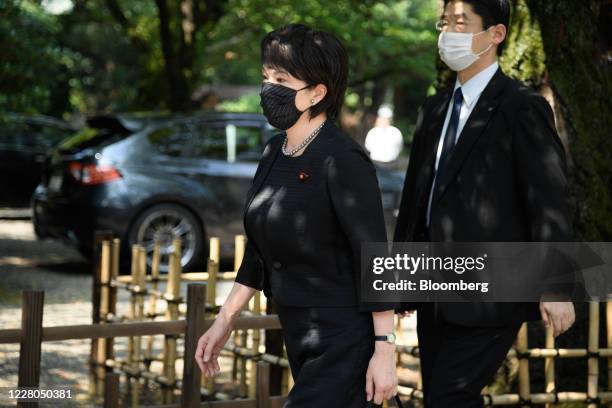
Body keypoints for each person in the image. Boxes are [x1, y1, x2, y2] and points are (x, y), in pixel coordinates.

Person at [194, 23, 401, 407]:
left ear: (317, 93)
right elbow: (260, 250)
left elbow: (373, 257)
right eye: (266, 77)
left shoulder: (343, 160)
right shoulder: (275, 152)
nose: (268, 89)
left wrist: (384, 350)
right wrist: (225, 319)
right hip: (299, 333)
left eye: (282, 79)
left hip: (343, 338)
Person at [393, 1, 575, 406]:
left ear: (496, 34)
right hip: (434, 284)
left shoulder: (522, 107)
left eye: (461, 23)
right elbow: (417, 198)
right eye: (445, 23)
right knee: (443, 397)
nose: (448, 33)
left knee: (450, 395)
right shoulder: (434, 108)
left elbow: (547, 199)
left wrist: (557, 286)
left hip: (494, 288)